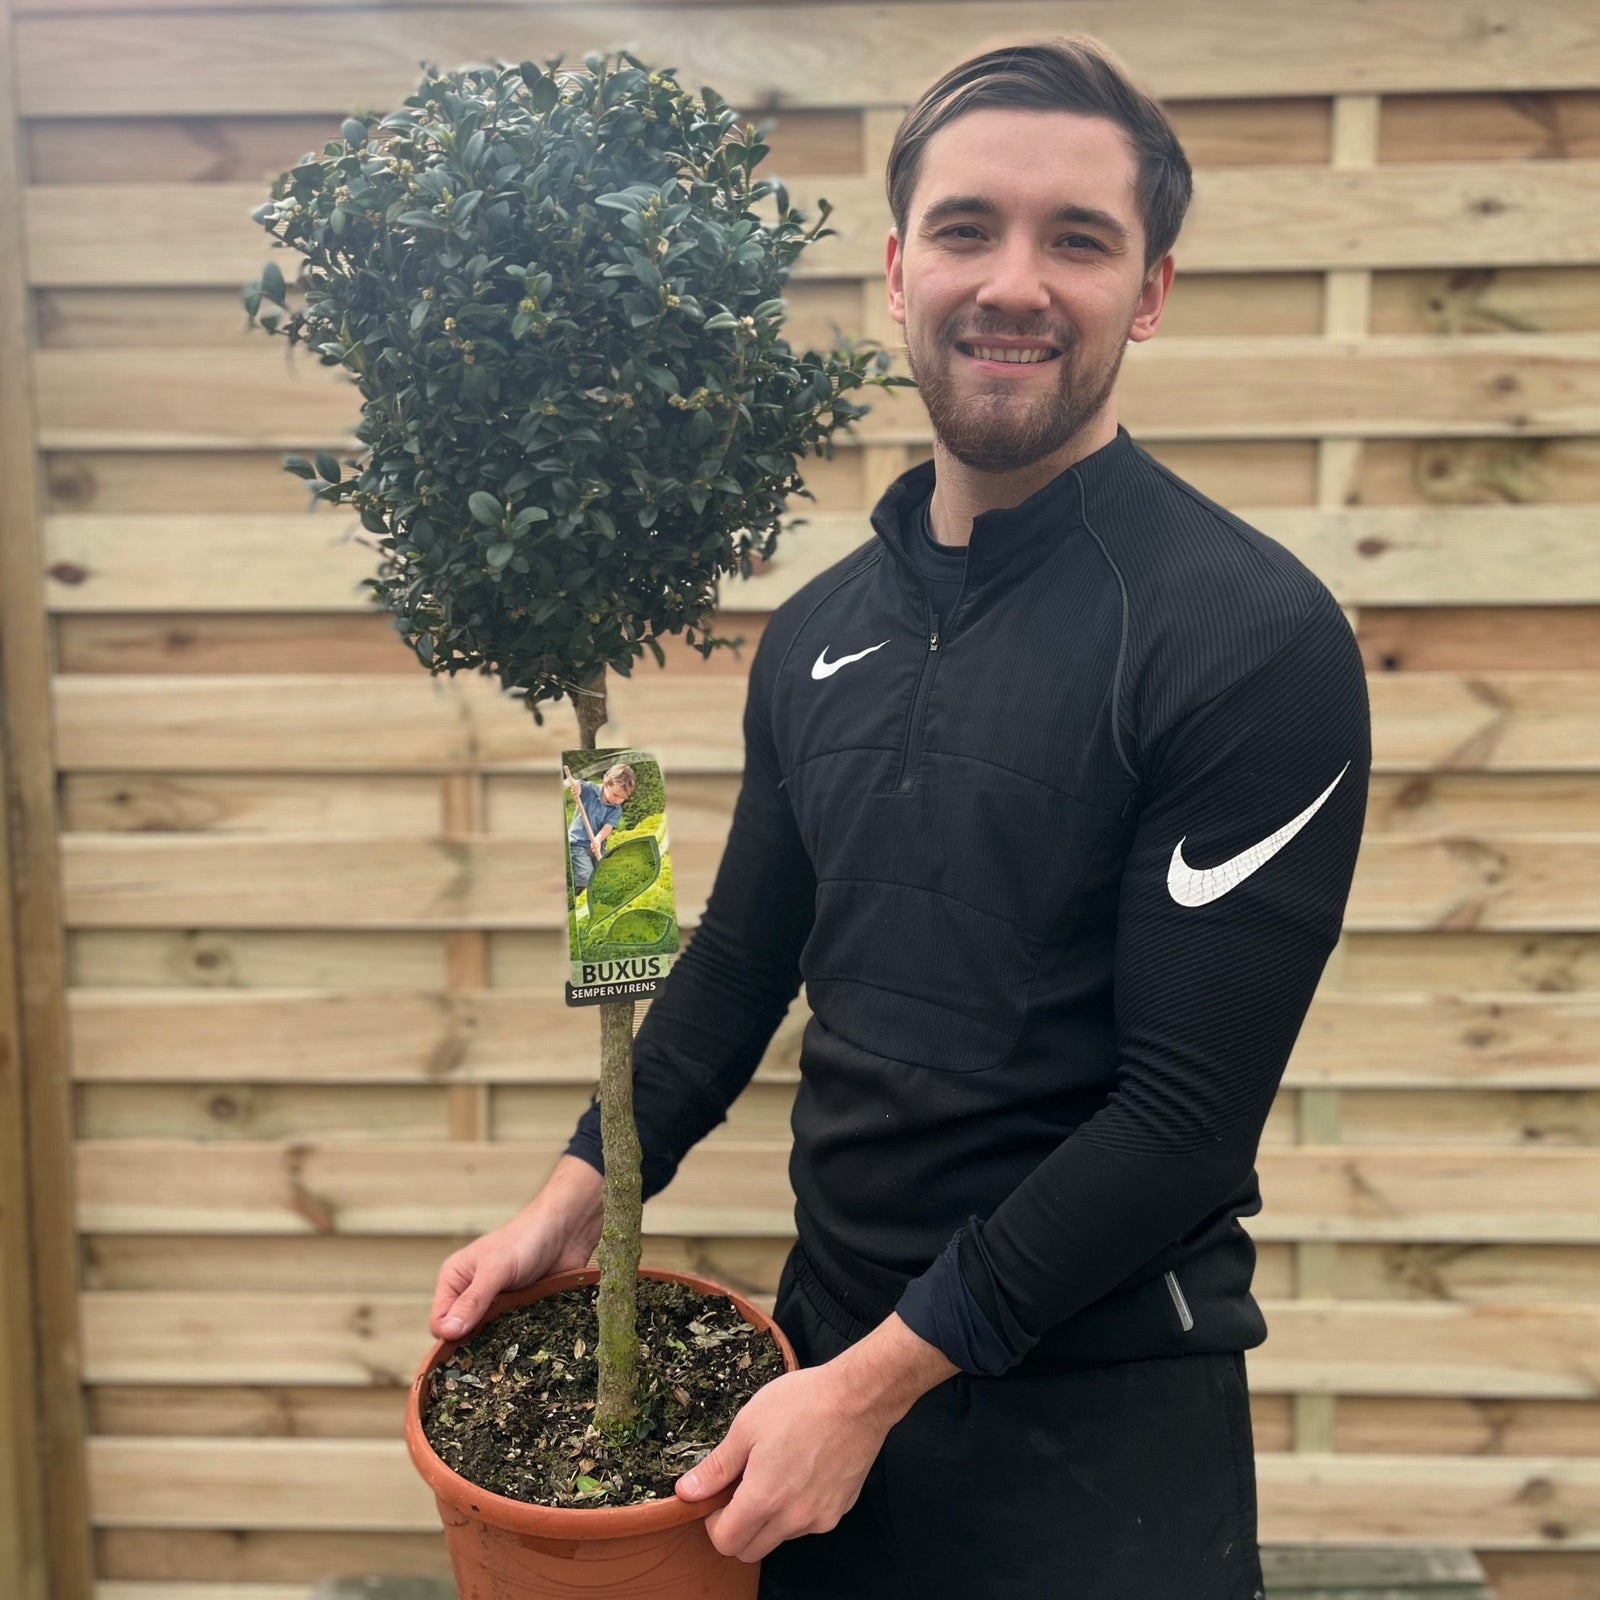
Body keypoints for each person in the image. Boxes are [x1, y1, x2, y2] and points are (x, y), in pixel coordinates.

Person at [430, 33, 1370, 1600]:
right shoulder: (817, 631)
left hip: (1099, 1424)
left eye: (1078, 239)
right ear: (893, 268)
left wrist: (873, 1386)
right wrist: (569, 1198)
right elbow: (737, 969)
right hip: (811, 1397)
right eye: (966, 227)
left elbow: (1183, 1122)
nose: (1014, 281)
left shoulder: (1243, 637)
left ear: (1150, 292)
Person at [564, 763, 636, 904]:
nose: (618, 800)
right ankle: (577, 904)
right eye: (615, 795)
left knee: (600, 877)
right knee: (586, 876)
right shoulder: (590, 790)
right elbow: (569, 782)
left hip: (598, 846)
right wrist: (574, 785)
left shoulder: (616, 809)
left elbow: (608, 827)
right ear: (606, 783)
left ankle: (597, 903)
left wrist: (598, 839)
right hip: (578, 844)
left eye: (623, 798)